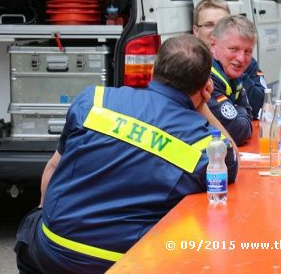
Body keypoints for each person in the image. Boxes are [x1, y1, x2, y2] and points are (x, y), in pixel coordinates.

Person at [14, 35, 238, 274]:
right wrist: (202, 105)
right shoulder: (204, 143)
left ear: (153, 70)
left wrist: (42, 213)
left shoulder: (93, 100)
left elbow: (53, 167)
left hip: (54, 251)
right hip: (126, 262)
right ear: (206, 86)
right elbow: (232, 154)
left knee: (32, 230)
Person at [193, 0, 267, 119]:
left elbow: (263, 105)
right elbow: (231, 123)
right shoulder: (191, 65)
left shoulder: (244, 60)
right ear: (196, 31)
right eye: (209, 25)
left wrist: (237, 70)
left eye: (222, 24)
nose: (217, 30)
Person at [208, 14, 256, 146]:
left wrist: (239, 111)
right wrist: (240, 110)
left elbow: (252, 112)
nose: (241, 58)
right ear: (213, 45)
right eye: (233, 49)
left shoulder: (231, 74)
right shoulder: (207, 76)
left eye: (248, 52)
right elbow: (238, 131)